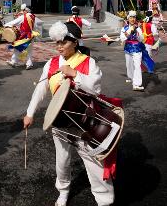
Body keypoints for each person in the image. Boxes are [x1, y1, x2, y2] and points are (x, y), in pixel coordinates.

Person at [23, 21, 114, 206]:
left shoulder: (88, 62)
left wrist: (75, 74)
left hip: (85, 121)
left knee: (92, 160)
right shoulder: (51, 63)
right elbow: (41, 89)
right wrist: (30, 113)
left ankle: (105, 199)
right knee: (62, 160)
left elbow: (95, 90)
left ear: (75, 42)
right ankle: (63, 191)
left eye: (63, 42)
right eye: (56, 43)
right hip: (60, 120)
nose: (59, 47)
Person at [4, 4, 38, 70]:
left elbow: (14, 22)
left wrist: (6, 25)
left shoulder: (24, 17)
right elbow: (35, 27)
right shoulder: (33, 16)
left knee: (17, 47)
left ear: (26, 10)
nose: (22, 11)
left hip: (24, 36)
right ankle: (29, 64)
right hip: (31, 35)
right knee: (29, 50)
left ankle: (13, 61)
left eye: (23, 10)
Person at [120, 11, 145, 91]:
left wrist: (137, 33)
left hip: (137, 49)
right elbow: (122, 38)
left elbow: (141, 39)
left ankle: (137, 84)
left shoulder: (138, 28)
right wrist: (129, 32)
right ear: (128, 19)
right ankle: (131, 78)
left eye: (134, 17)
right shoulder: (124, 28)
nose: (133, 19)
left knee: (137, 65)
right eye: (131, 17)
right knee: (129, 65)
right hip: (128, 49)